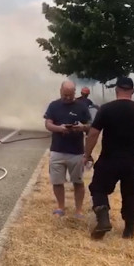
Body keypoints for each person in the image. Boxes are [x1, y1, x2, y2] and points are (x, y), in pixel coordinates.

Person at [83, 76, 134, 240]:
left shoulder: (106, 109)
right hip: (131, 162)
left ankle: (103, 219)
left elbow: (94, 133)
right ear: (133, 91)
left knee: (98, 188)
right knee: (131, 195)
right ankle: (129, 230)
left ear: (116, 90)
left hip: (109, 159)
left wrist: (87, 154)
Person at [43, 80, 92, 217]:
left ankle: (79, 210)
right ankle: (60, 207)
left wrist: (81, 128)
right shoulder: (53, 106)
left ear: (75, 93)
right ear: (60, 91)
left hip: (76, 151)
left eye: (70, 95)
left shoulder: (82, 106)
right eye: (65, 95)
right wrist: (59, 129)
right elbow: (48, 124)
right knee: (57, 181)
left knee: (78, 181)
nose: (68, 98)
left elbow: (90, 125)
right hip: (57, 150)